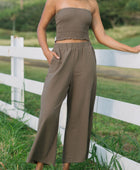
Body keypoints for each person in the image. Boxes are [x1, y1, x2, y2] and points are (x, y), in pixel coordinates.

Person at [26, 0, 140, 170]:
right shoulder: (54, 1)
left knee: (80, 111)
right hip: (61, 56)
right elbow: (41, 27)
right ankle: (40, 164)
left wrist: (131, 49)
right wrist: (47, 53)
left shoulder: (91, 3)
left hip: (85, 58)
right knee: (49, 110)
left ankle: (67, 165)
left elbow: (102, 36)